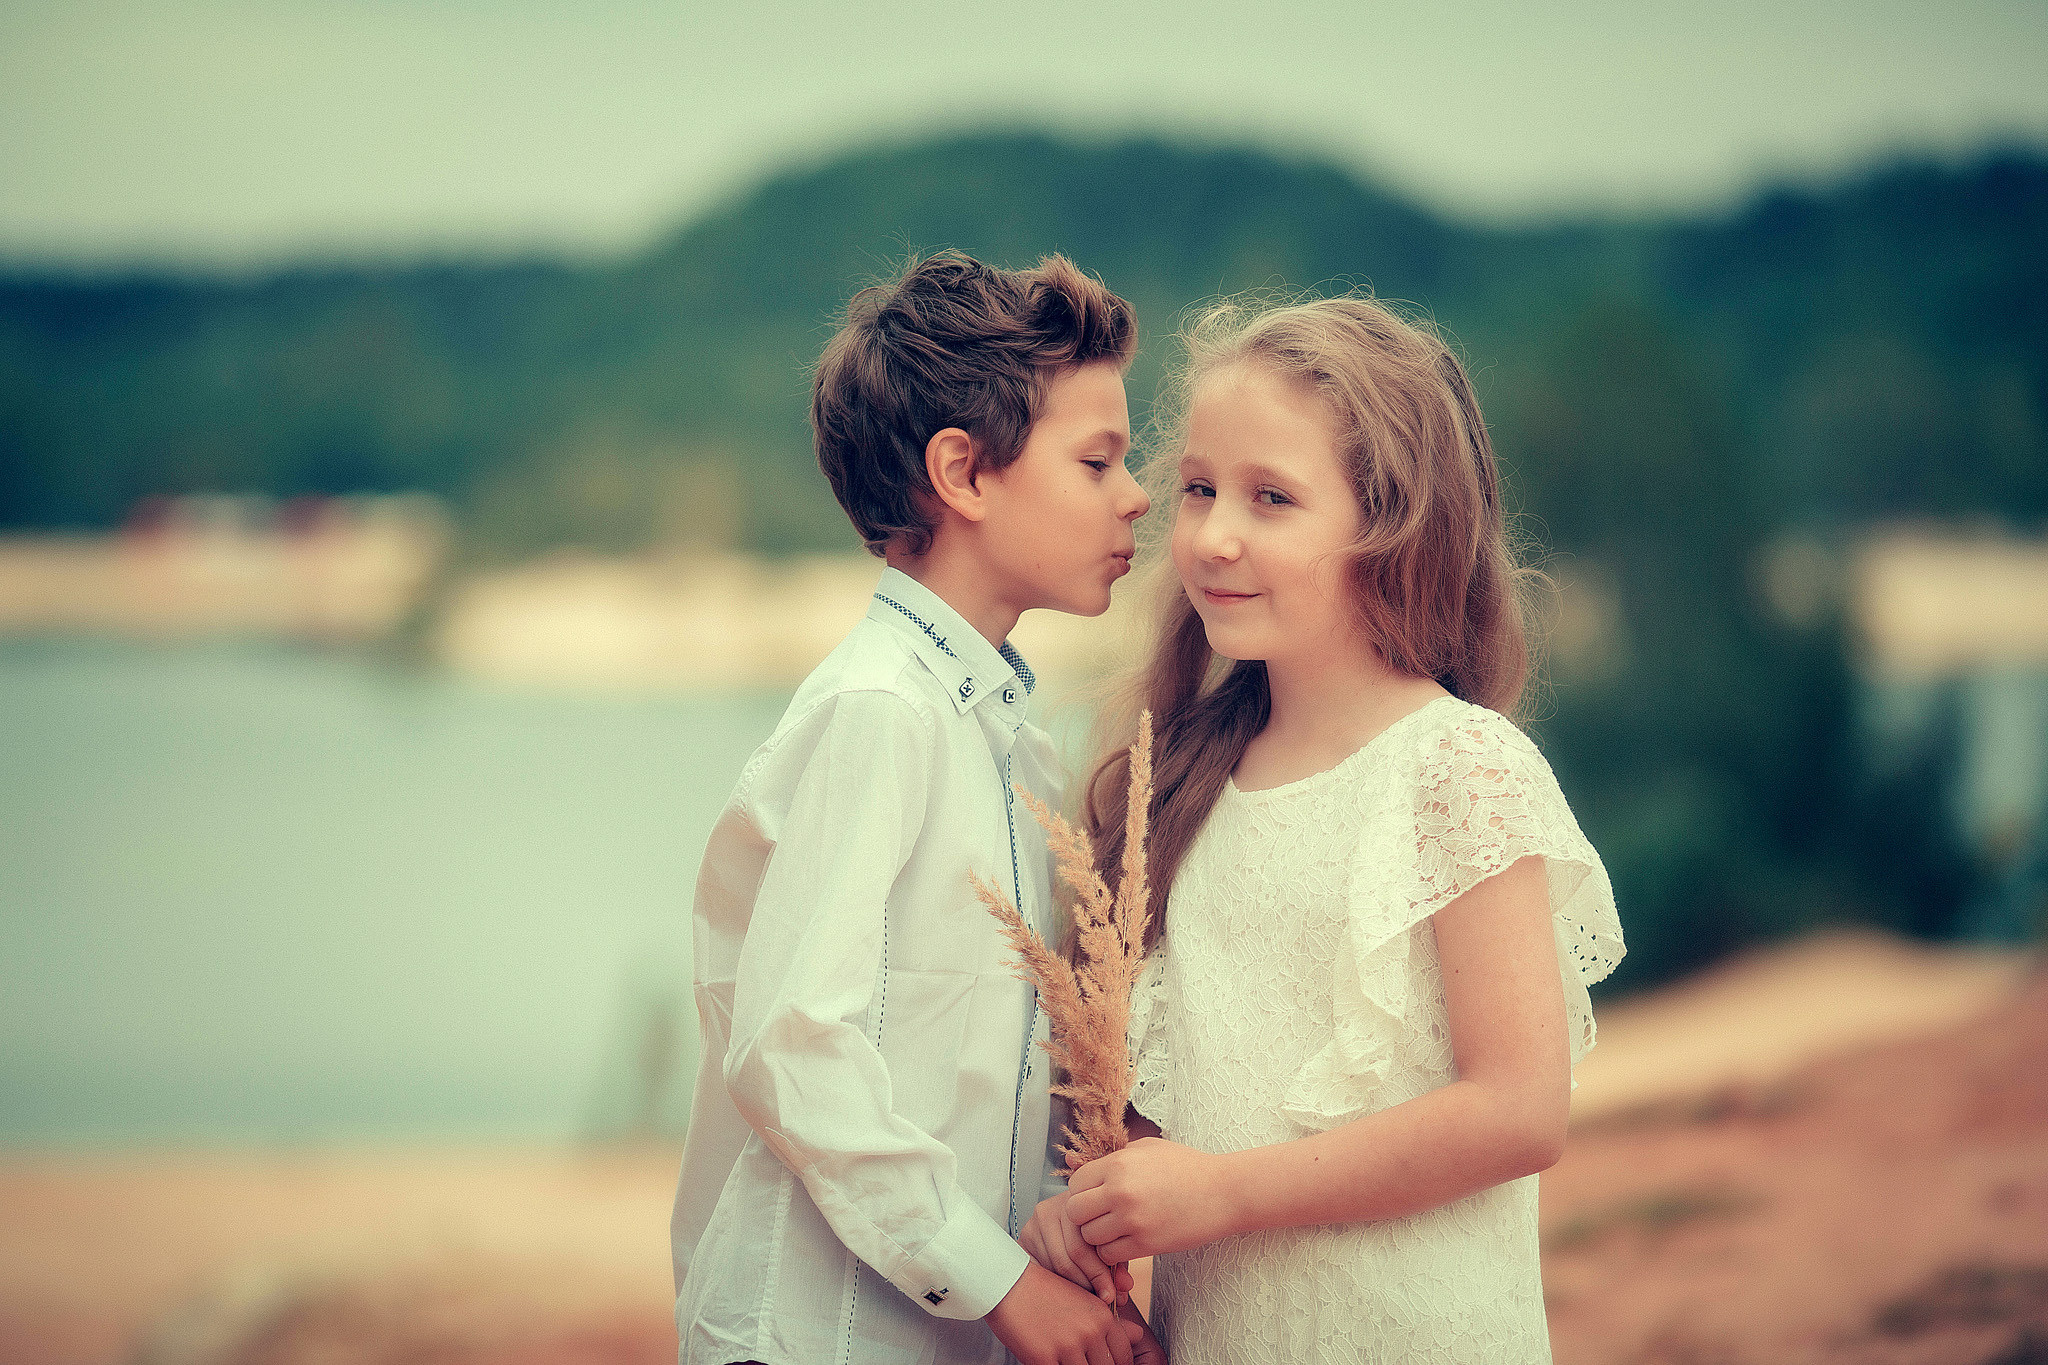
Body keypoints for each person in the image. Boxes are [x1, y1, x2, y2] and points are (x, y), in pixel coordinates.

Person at [1022, 294, 1625, 1363]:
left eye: (1271, 499)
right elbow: (1181, 1110)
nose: (1210, 536)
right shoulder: (1180, 779)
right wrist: (1093, 1207)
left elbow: (1519, 1109)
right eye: (1198, 489)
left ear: (1394, 525)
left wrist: (1217, 1194)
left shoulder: (1455, 767)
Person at [670, 250, 1162, 1365]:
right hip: (815, 1332)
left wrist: (1052, 1251)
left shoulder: (1012, 743)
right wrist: (1003, 1289)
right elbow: (790, 1046)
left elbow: (1022, 1057)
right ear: (964, 474)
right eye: (1096, 461)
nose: (1135, 494)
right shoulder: (879, 712)